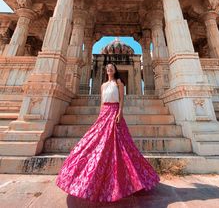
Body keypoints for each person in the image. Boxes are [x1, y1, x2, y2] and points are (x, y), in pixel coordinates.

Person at [56, 62, 160, 203]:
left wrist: (120, 113)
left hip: (114, 112)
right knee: (94, 142)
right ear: (106, 71)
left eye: (112, 68)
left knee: (120, 144)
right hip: (104, 113)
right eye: (108, 68)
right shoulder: (103, 85)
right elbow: (102, 102)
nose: (110, 70)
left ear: (115, 70)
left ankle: (127, 180)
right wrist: (100, 115)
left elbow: (122, 99)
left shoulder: (119, 83)